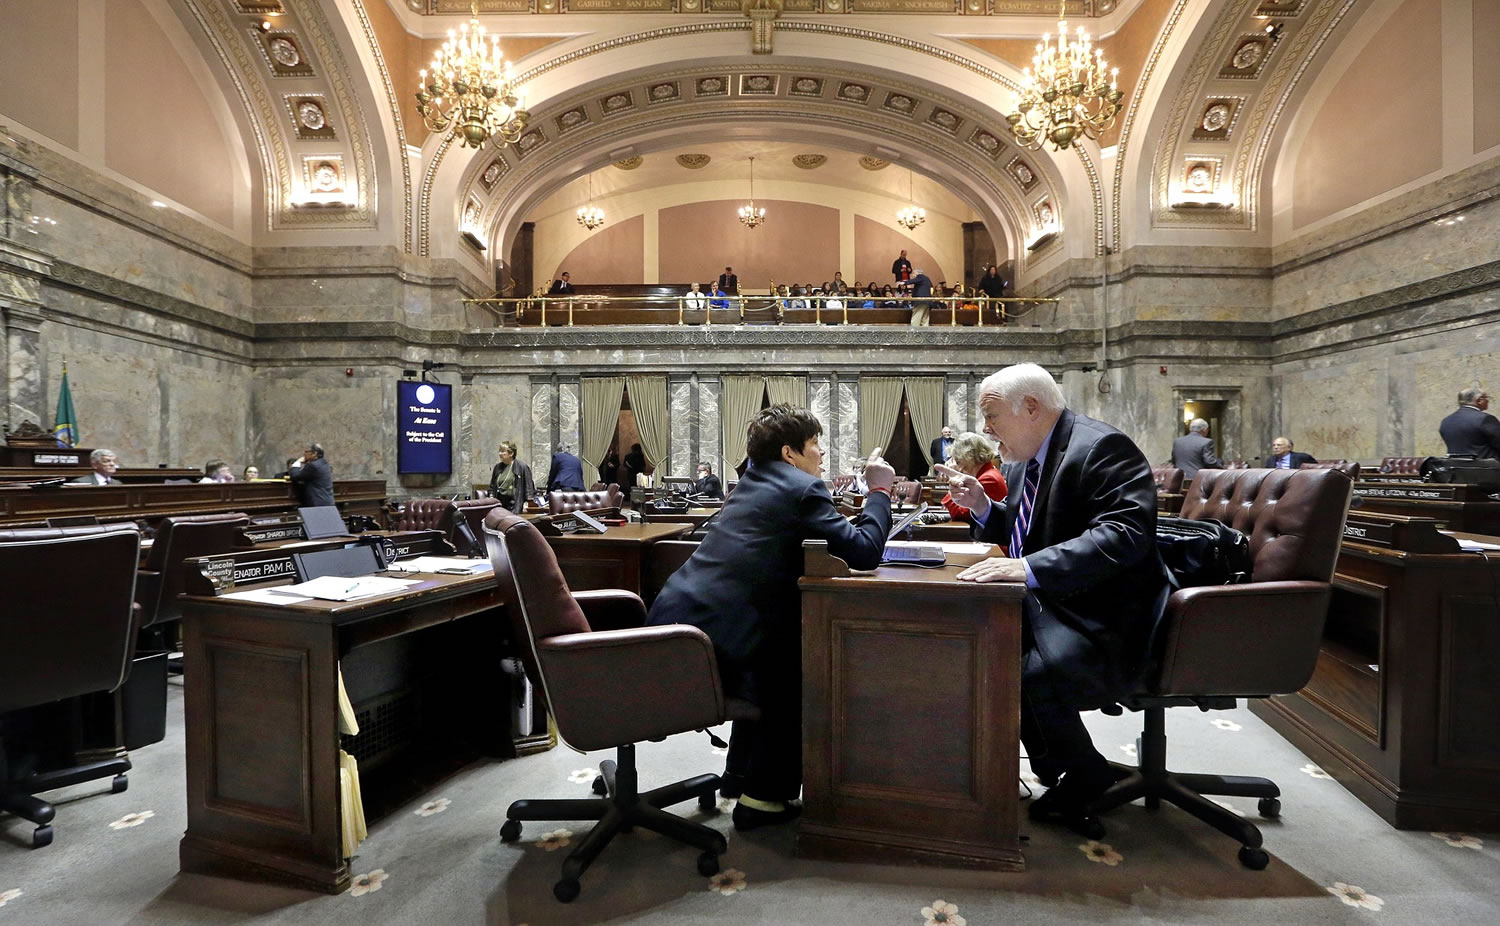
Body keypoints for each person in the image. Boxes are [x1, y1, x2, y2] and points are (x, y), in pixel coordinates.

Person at [936, 363, 1170, 838]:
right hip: (1064, 599)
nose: (986, 428)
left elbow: (1124, 536)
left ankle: (1084, 772)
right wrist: (984, 507)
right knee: (987, 643)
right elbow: (1027, 533)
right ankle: (1057, 764)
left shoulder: (1101, 447)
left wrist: (1027, 568)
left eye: (992, 415)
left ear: (1031, 408)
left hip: (1108, 610)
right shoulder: (1026, 459)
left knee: (1024, 668)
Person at [647, 406, 894, 831]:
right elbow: (866, 552)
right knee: (804, 668)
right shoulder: (801, 488)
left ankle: (742, 778)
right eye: (815, 444)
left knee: (782, 648)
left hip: (682, 627)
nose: (820, 453)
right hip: (712, 640)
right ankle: (762, 801)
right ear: (789, 452)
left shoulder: (753, 483)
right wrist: (880, 493)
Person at [940, 431, 1008, 527]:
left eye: (958, 461)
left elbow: (960, 514)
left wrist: (954, 479)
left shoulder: (989, 478)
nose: (959, 468)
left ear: (969, 456)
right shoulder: (986, 473)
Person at [1438, 387, 1500, 459]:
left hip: (1458, 467)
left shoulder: (1446, 421)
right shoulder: (1485, 419)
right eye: (1486, 398)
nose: (1488, 401)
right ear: (1479, 400)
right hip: (1487, 468)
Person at [488, 440, 536, 514]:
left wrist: (527, 504)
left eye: (503, 451)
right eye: (499, 451)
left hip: (514, 504)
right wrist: (491, 499)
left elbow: (529, 487)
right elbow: (492, 486)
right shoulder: (497, 467)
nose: (499, 454)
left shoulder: (522, 467)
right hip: (499, 505)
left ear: (511, 453)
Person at [289, 442, 334, 506]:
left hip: (317, 502)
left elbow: (295, 476)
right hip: (327, 500)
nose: (304, 454)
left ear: (314, 454)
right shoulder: (324, 463)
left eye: (306, 452)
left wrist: (297, 462)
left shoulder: (313, 465)